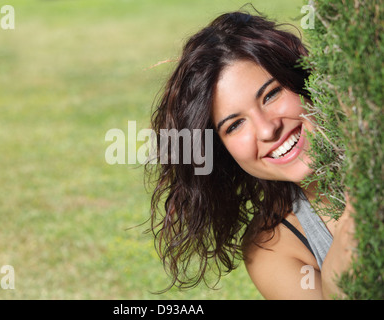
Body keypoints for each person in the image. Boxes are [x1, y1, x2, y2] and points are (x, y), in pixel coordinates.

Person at [146, 10, 356, 299]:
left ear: (303, 81)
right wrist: (357, 211)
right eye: (235, 125)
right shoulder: (273, 246)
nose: (268, 130)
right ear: (221, 151)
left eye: (271, 95)